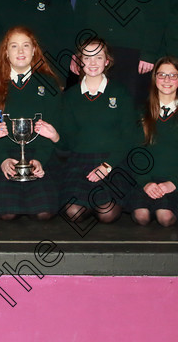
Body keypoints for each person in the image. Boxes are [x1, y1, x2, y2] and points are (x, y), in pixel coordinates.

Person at [0, 26, 62, 220]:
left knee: (45, 212)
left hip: (39, 154)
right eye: (14, 46)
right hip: (1, 155)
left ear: (34, 50)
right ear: (6, 52)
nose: (21, 51)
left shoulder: (49, 84)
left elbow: (53, 129)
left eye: (26, 45)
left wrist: (40, 159)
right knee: (7, 213)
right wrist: (2, 160)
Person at [60, 38, 135, 224]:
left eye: (98, 57)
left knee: (107, 214)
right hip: (80, 162)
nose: (93, 62)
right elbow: (67, 141)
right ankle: (88, 203)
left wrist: (107, 166)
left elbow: (129, 136)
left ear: (107, 61)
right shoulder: (69, 96)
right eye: (87, 57)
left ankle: (97, 204)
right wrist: (54, 135)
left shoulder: (121, 93)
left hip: (112, 162)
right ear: (79, 61)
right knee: (73, 213)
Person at [127, 56, 178, 227]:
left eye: (173, 75)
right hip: (147, 179)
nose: (167, 80)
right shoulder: (141, 112)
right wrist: (146, 182)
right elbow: (135, 152)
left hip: (176, 181)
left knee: (164, 217)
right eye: (161, 75)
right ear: (154, 78)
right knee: (141, 215)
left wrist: (173, 184)